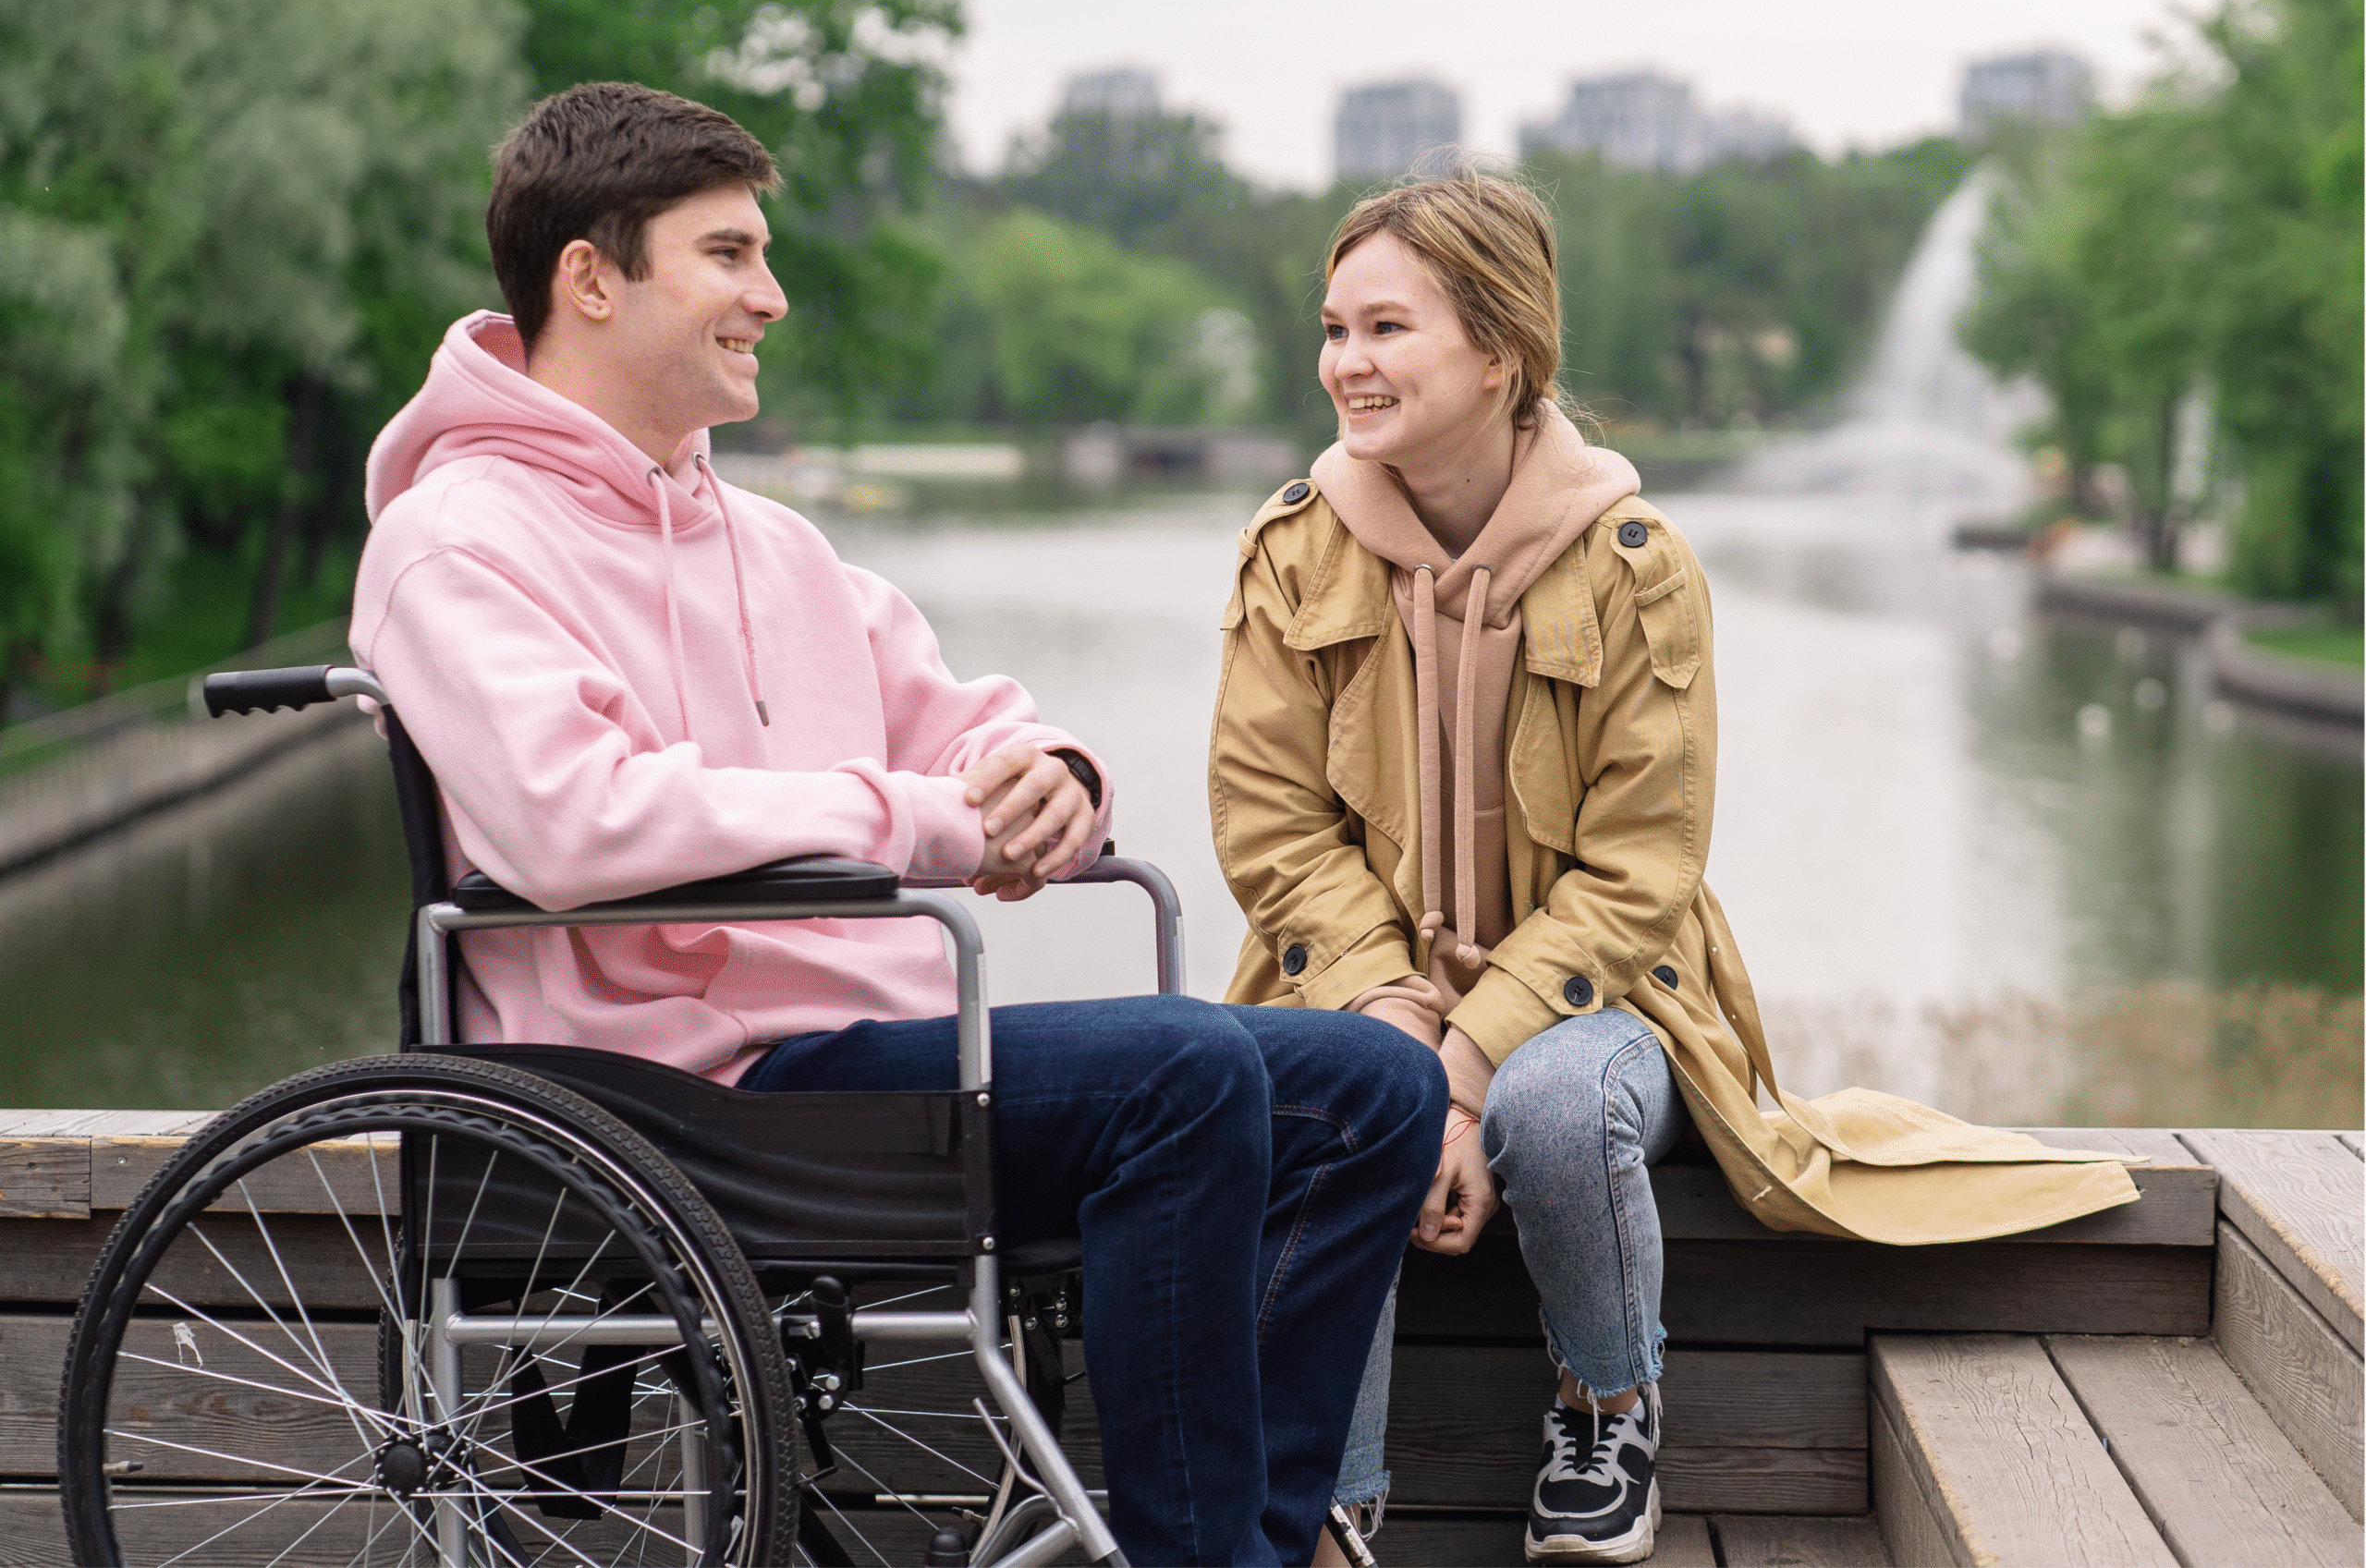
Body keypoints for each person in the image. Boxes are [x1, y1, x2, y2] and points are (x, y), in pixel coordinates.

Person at [352, 80, 1447, 1567]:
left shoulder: (772, 543)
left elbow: (952, 717)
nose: (772, 294)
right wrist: (923, 823)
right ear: (590, 278)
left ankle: (1257, 1529)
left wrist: (1046, 769)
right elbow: (572, 824)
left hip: (868, 1064)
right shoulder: (454, 539)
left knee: (1372, 1080)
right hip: (673, 1097)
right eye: (729, 254)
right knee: (1182, 1069)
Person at [1208, 170, 2140, 1563]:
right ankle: (1327, 1494)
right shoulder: (1293, 552)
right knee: (1328, 1106)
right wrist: (1407, 1040)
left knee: (1563, 1103)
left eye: (1386, 328)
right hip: (1357, 993)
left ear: (1498, 350)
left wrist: (1462, 1070)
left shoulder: (1636, 564)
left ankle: (1610, 1398)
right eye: (1334, 328)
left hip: (1605, 999)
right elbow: (1273, 828)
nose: (1345, 362)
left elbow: (1639, 868)